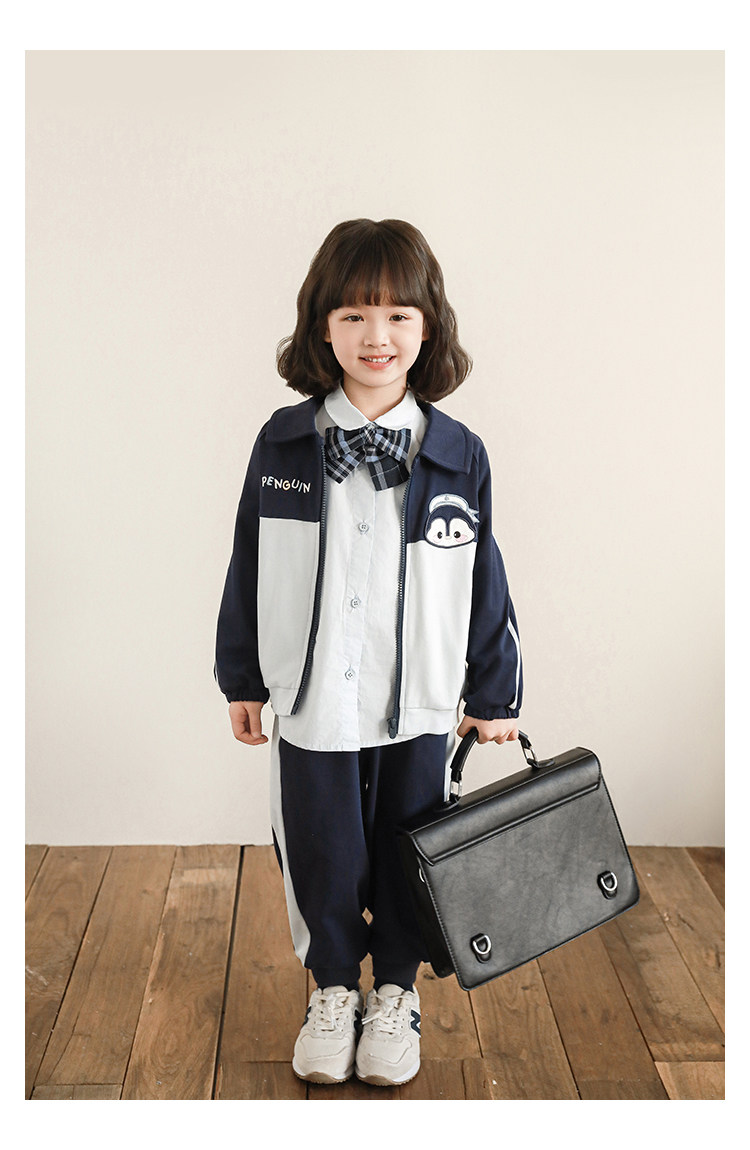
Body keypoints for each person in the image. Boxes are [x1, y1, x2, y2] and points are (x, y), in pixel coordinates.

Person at [215, 218, 522, 1087]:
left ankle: (394, 991)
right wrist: (242, 676)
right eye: (353, 314)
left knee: (407, 849)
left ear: (428, 328)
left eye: (396, 315)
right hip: (313, 697)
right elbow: (248, 562)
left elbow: (485, 578)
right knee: (321, 850)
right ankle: (330, 990)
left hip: (417, 700)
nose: (375, 335)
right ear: (322, 326)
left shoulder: (459, 455)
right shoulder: (283, 442)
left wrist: (494, 693)